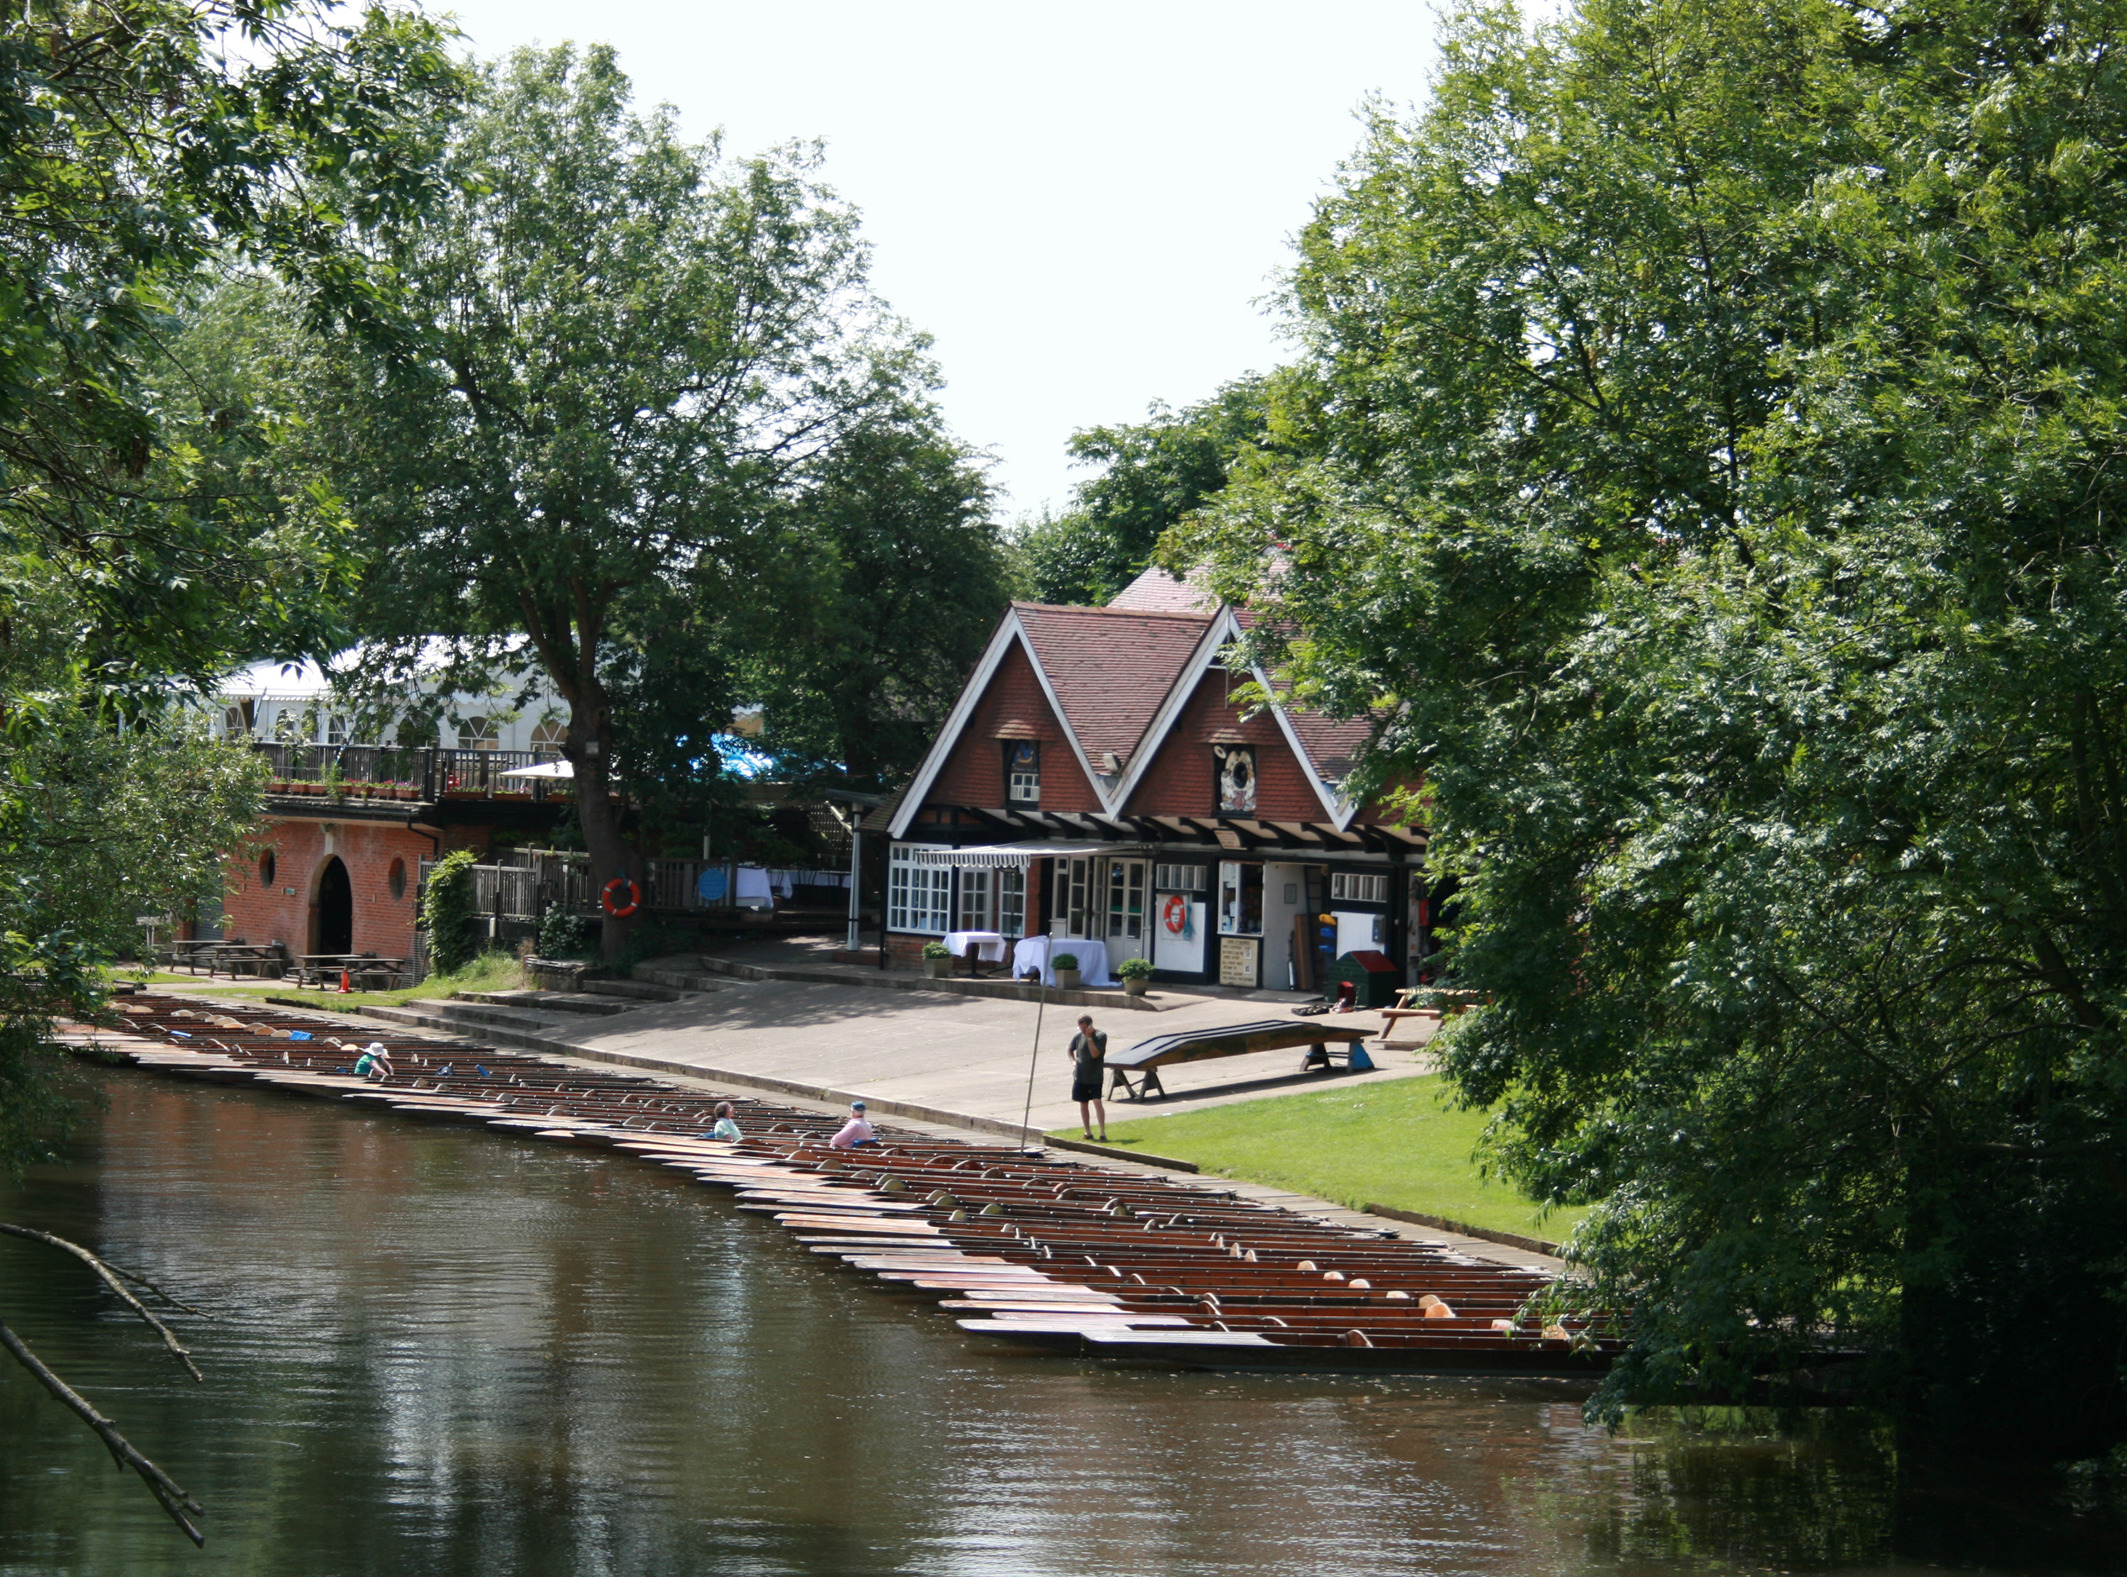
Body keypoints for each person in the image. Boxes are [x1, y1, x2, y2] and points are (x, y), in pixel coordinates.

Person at [1069, 1015, 1108, 1141]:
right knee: (1083, 1103)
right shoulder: (1078, 1037)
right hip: (1080, 1076)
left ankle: (1102, 1133)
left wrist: (1089, 1037)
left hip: (1095, 1076)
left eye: (1085, 1028)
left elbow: (1095, 1054)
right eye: (1081, 1028)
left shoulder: (1100, 1036)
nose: (1083, 1031)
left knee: (1097, 1102)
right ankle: (1088, 1132)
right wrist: (1073, 1061)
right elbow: (1069, 1049)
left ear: (1090, 1026)